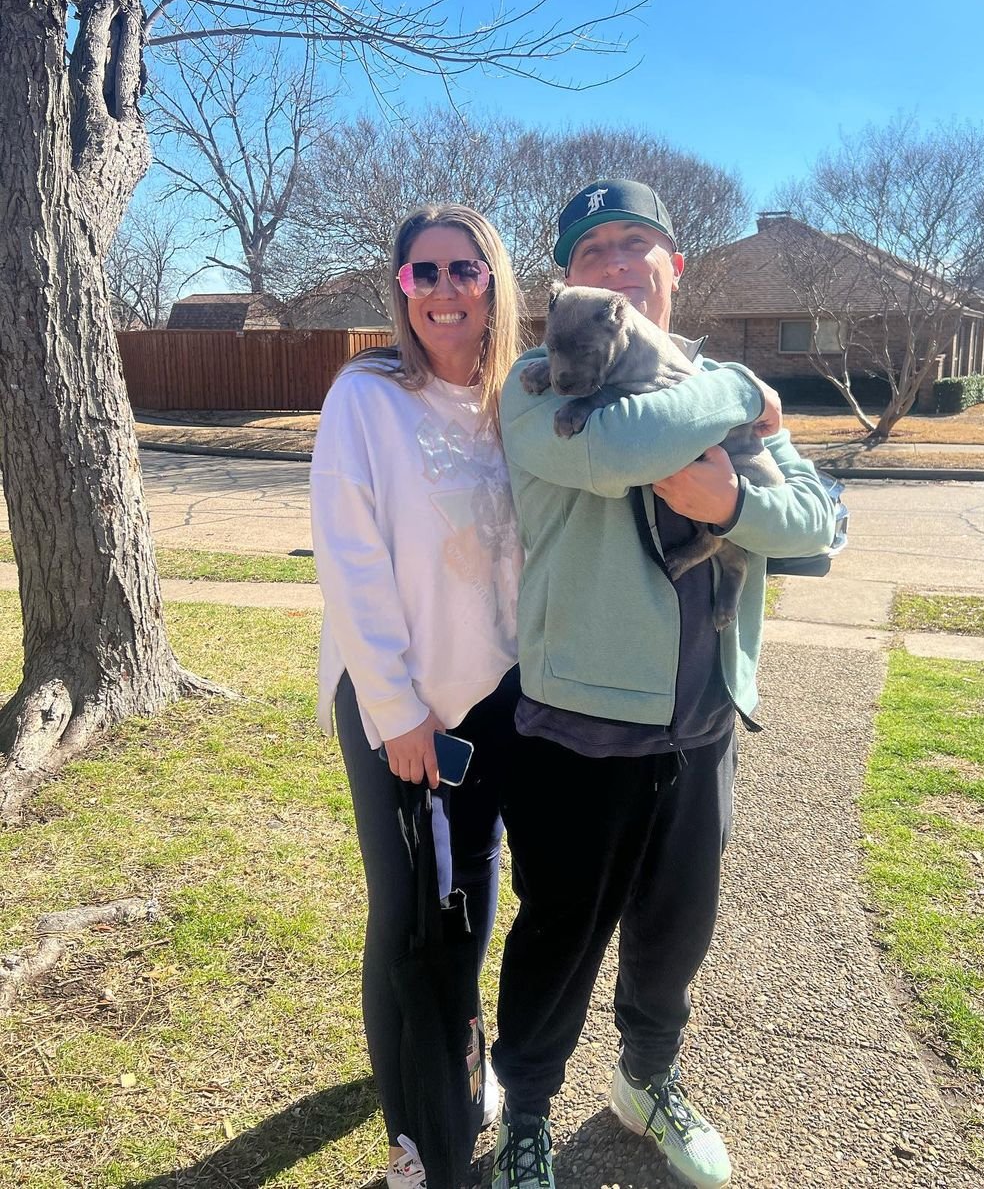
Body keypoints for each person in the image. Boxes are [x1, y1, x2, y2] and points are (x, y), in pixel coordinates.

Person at [490, 179, 836, 1189]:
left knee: (674, 936)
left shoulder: (705, 376)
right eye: (592, 250)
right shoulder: (541, 381)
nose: (618, 263)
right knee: (556, 941)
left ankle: (647, 1082)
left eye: (637, 242)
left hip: (702, 726)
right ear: (568, 280)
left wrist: (732, 498)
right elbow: (623, 452)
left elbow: (821, 524)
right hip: (577, 728)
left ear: (673, 266)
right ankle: (528, 1114)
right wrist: (739, 398)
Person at [310, 205, 523, 1189]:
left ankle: (457, 1067)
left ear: (493, 284)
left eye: (463, 271)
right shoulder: (366, 395)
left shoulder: (512, 403)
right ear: (400, 289)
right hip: (398, 704)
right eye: (421, 273)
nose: (442, 289)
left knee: (468, 905)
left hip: (493, 699)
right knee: (407, 917)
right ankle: (413, 1136)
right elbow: (349, 557)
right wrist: (395, 710)